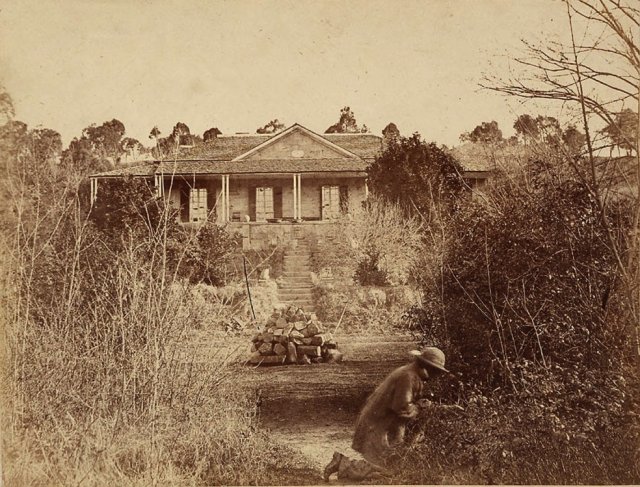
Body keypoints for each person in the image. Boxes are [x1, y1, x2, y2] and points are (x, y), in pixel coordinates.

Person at [323, 347, 449, 482]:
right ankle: (343, 464)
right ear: (426, 366)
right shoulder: (408, 376)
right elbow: (401, 408)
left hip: (384, 425)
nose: (436, 375)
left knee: (394, 465)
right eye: (435, 370)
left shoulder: (411, 374)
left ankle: (343, 463)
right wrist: (420, 407)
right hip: (376, 426)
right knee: (387, 469)